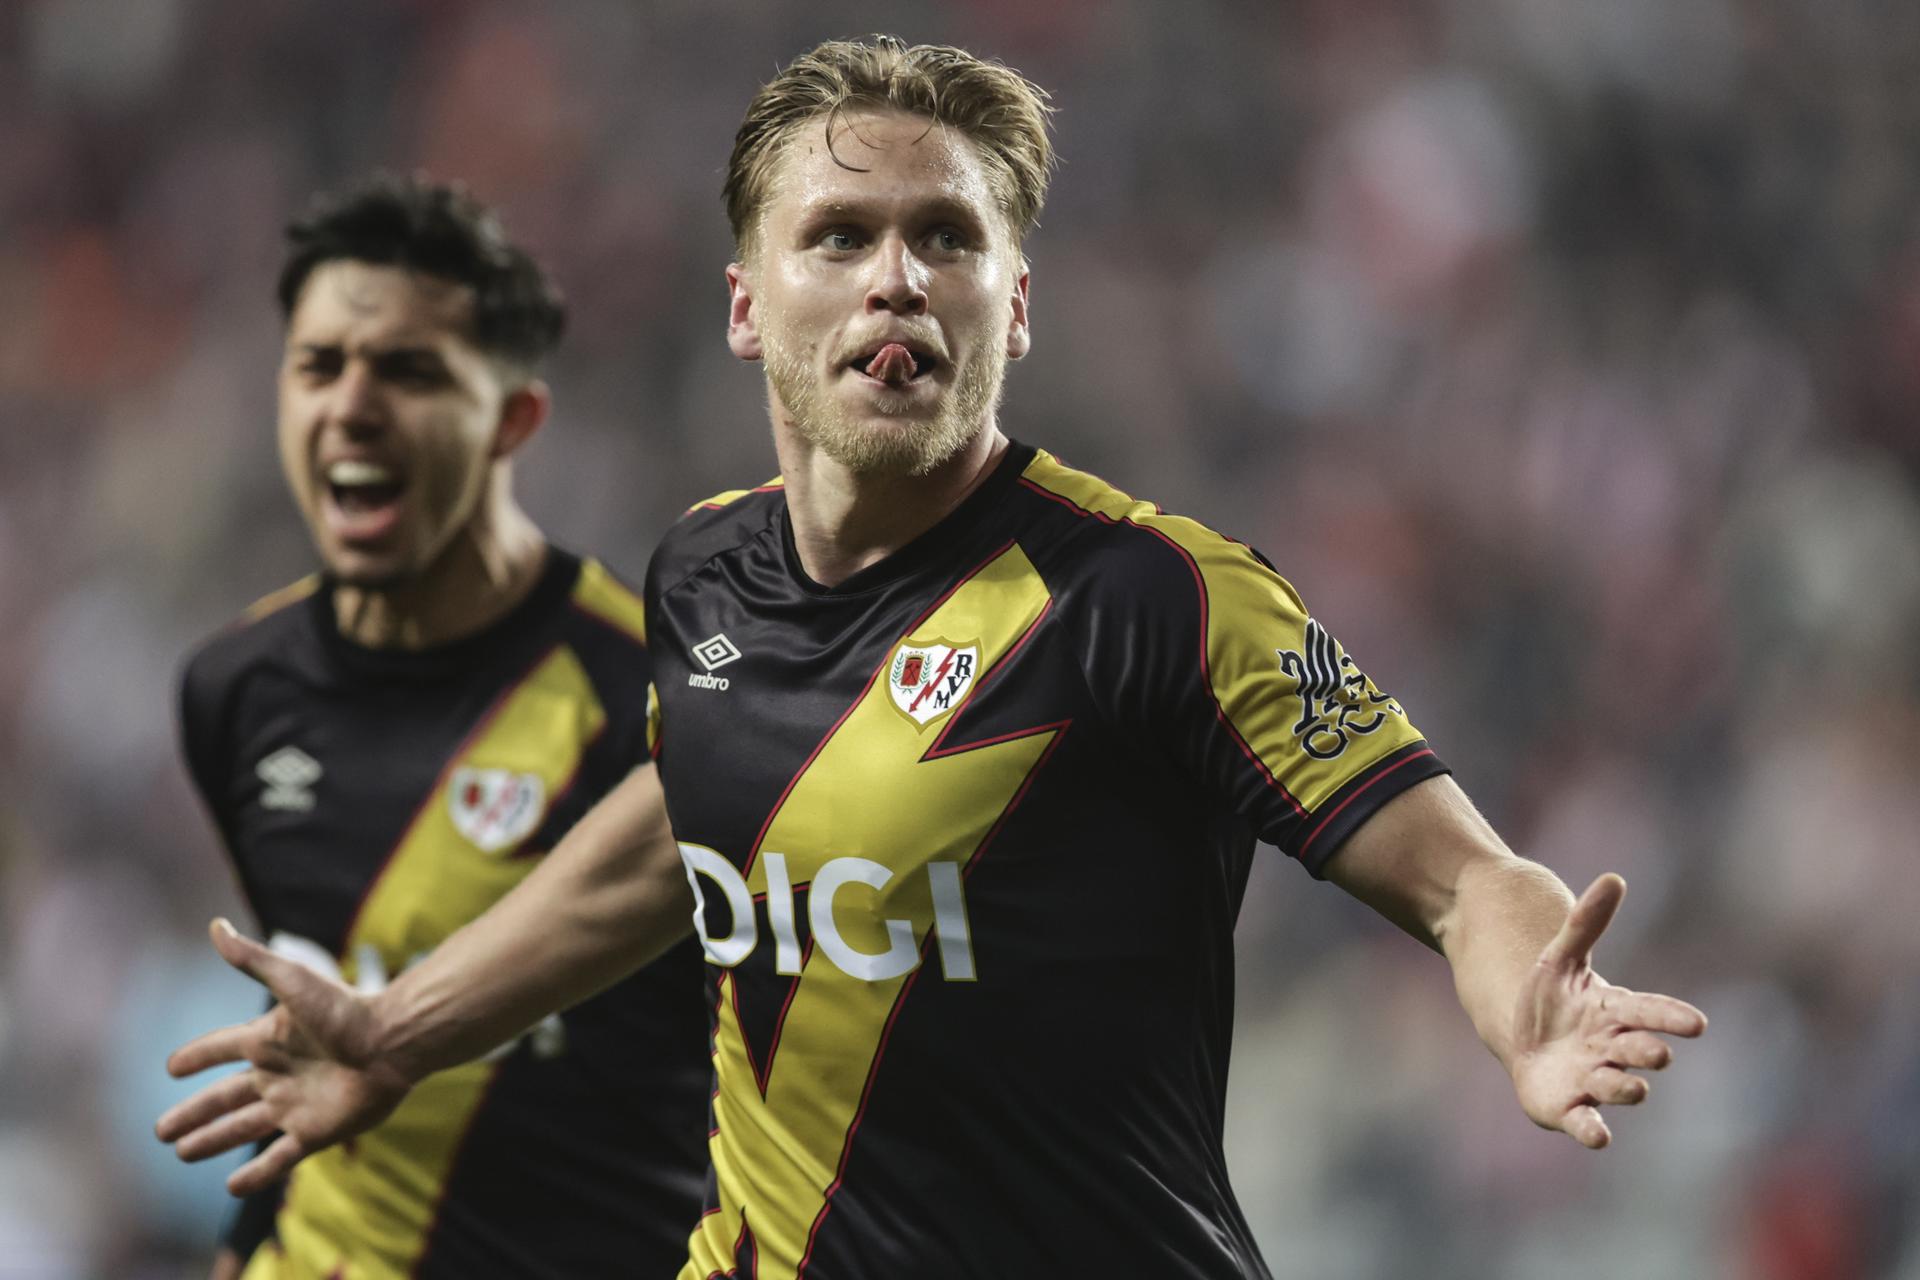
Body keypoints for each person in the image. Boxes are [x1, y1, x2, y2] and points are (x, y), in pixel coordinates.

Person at [159, 41, 1708, 1280]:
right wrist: (397, 1032)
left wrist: (1528, 1000)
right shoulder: (700, 573)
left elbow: (1457, 874)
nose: (897, 277)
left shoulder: (1157, 600)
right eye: (839, 236)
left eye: (946, 238)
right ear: (748, 307)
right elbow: (682, 826)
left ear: (1012, 305)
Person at [171, 175, 709, 1279]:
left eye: (410, 370)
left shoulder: (649, 700)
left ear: (512, 417)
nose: (353, 406)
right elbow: (299, 1039)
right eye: (319, 364)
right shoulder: (234, 688)